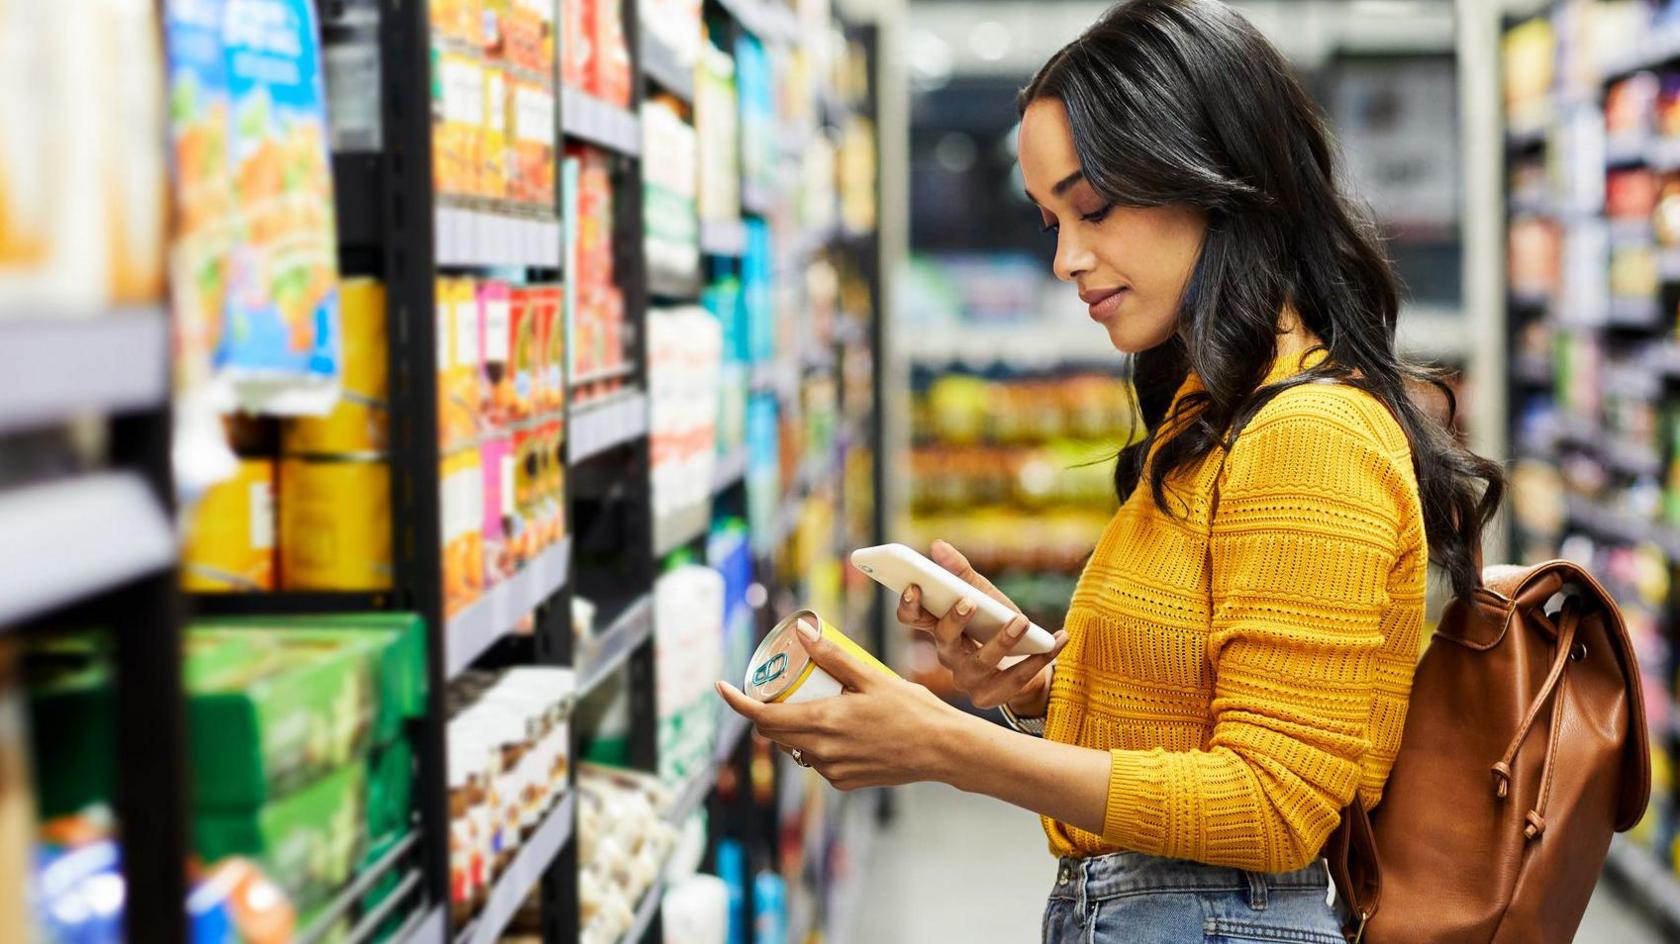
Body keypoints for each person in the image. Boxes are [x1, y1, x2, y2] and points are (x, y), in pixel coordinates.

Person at [717, 0, 1504, 940]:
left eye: (1092, 208)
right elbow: (1203, 712)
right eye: (1050, 219)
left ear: (1219, 179)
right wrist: (1041, 674)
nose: (1065, 258)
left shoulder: (1312, 434)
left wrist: (946, 747)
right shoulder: (1214, 412)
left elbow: (1274, 802)